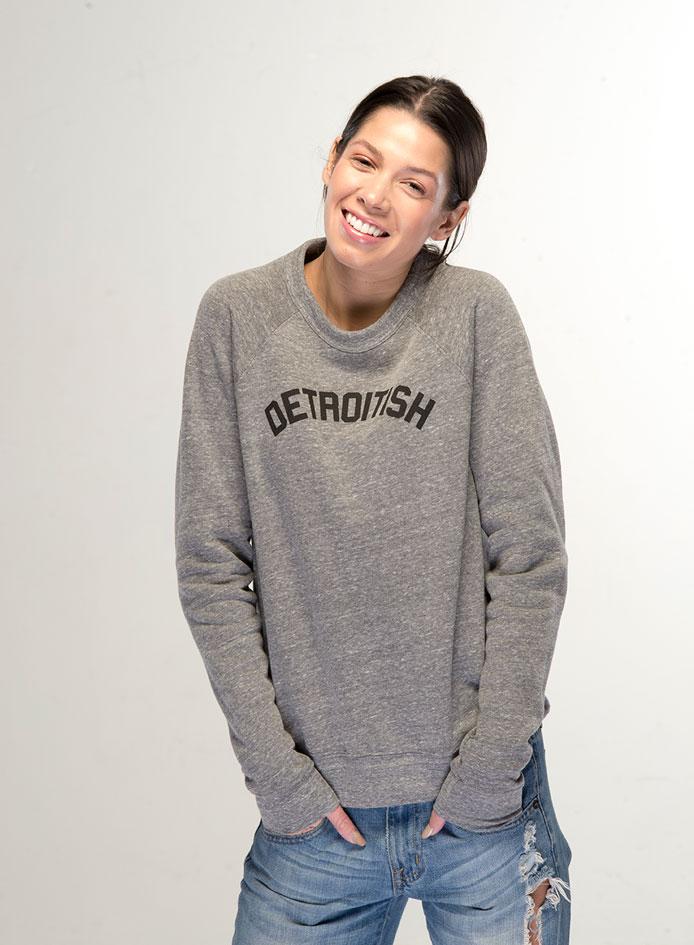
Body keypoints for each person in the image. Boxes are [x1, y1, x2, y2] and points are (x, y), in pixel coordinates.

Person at [175, 74, 572, 945]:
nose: (375, 196)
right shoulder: (237, 318)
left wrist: (489, 771)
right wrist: (278, 777)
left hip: (486, 821)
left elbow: (531, 557)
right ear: (331, 160)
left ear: (448, 216)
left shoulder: (475, 315)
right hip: (315, 828)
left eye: (414, 184)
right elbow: (210, 564)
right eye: (364, 160)